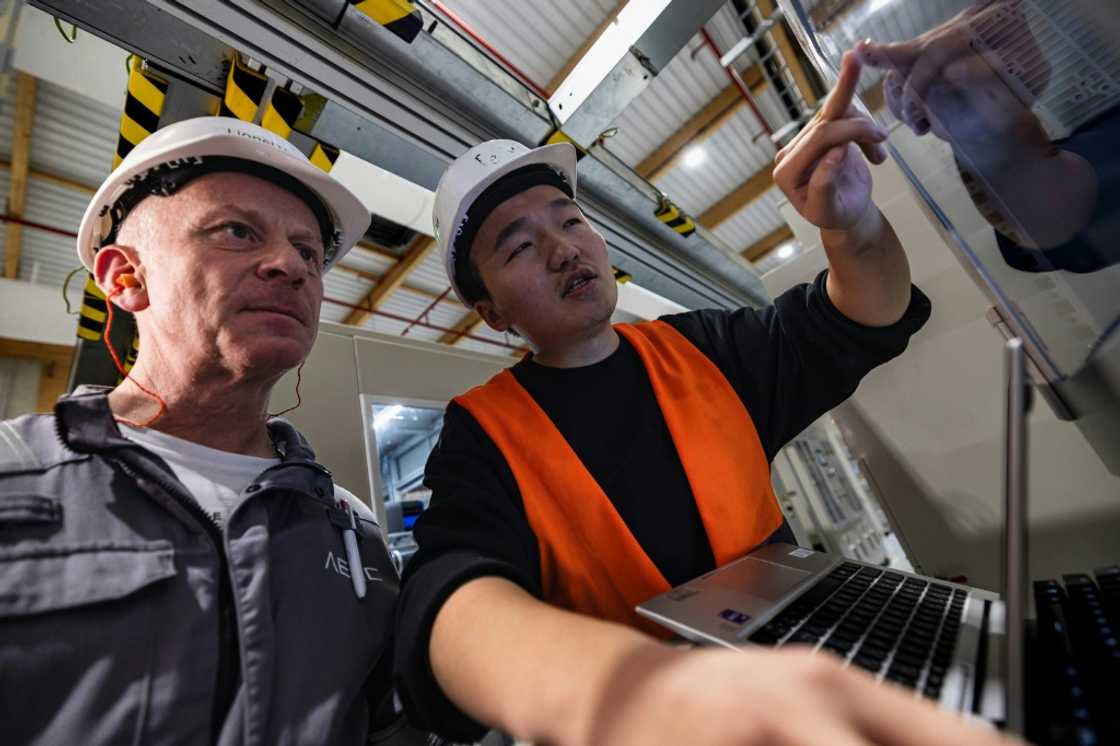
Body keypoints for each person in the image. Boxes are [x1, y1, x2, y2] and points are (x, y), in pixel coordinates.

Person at [392, 52, 1020, 745]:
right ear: (491, 312)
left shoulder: (704, 350)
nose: (562, 251)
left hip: (813, 681)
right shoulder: (484, 432)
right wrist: (636, 694)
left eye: (568, 221)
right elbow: (448, 595)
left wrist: (851, 226)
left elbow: (865, 315)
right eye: (518, 248)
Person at [0, 118, 411, 745]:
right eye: (237, 232)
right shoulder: (13, 479)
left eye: (308, 252)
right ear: (125, 278)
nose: (291, 267)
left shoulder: (354, 534)